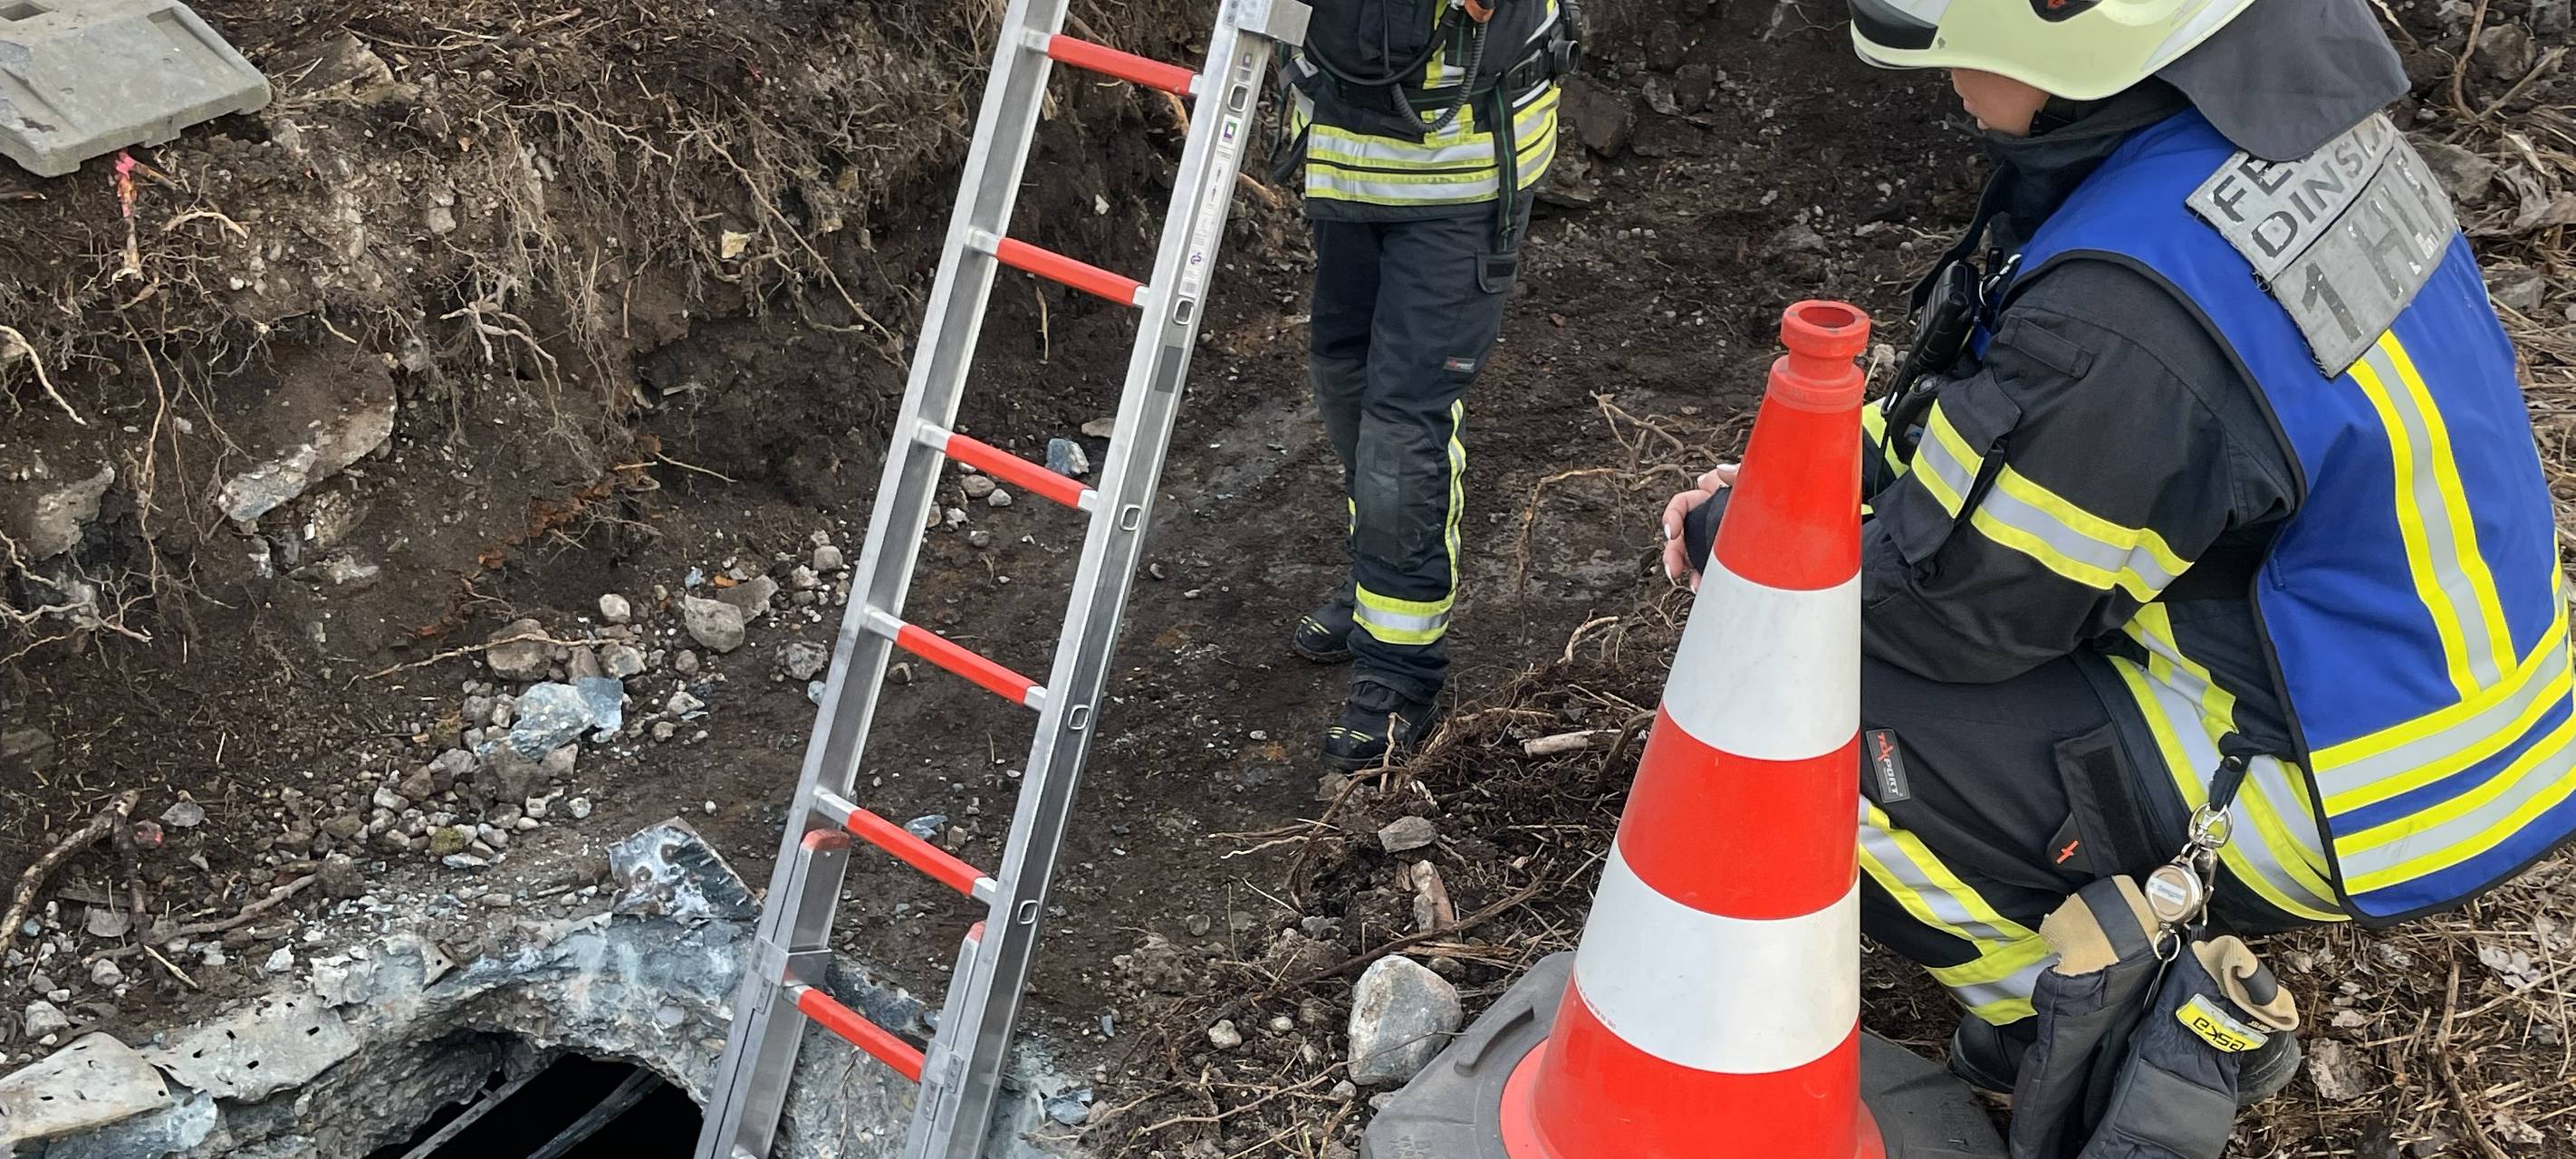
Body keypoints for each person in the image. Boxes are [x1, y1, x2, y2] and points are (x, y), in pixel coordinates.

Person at [1661, 0, 2576, 1101]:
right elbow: (2015, 420)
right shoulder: (2273, 138)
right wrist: (1806, 475)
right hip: (2468, 700)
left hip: (2365, 789)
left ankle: (2079, 1029)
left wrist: (1750, 549)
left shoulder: (2124, 314)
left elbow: (1958, 608)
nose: (1944, 59)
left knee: (1800, 698)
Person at [1277, 0, 1575, 768]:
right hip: (1347, 150)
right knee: (1342, 372)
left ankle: (1398, 666)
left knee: (1401, 421)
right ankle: (1375, 582)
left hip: (1459, 170)